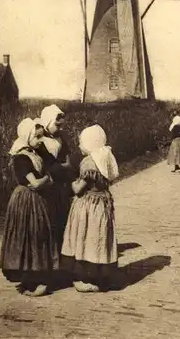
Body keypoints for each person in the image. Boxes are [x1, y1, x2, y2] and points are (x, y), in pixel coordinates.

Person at [0, 118, 59, 297]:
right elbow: (35, 183)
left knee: (38, 236)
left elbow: (49, 172)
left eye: (41, 137)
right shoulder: (21, 158)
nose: (41, 140)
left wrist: (47, 178)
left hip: (37, 201)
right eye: (37, 137)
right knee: (27, 237)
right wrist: (47, 179)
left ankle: (41, 279)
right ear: (27, 137)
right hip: (25, 200)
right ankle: (29, 276)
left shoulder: (36, 153)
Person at [61, 125, 119, 292]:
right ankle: (99, 273)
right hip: (102, 204)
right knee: (98, 238)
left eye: (81, 142)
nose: (79, 146)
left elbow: (79, 188)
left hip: (89, 205)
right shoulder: (106, 157)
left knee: (85, 237)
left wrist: (70, 181)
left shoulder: (89, 162)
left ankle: (83, 276)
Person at [38, 104, 74, 253]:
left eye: (61, 126)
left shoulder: (61, 140)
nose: (60, 128)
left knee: (62, 215)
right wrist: (59, 166)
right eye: (56, 125)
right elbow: (46, 165)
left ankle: (62, 248)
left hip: (61, 184)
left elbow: (68, 163)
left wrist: (59, 166)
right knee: (49, 217)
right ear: (47, 122)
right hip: (49, 183)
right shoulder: (40, 141)